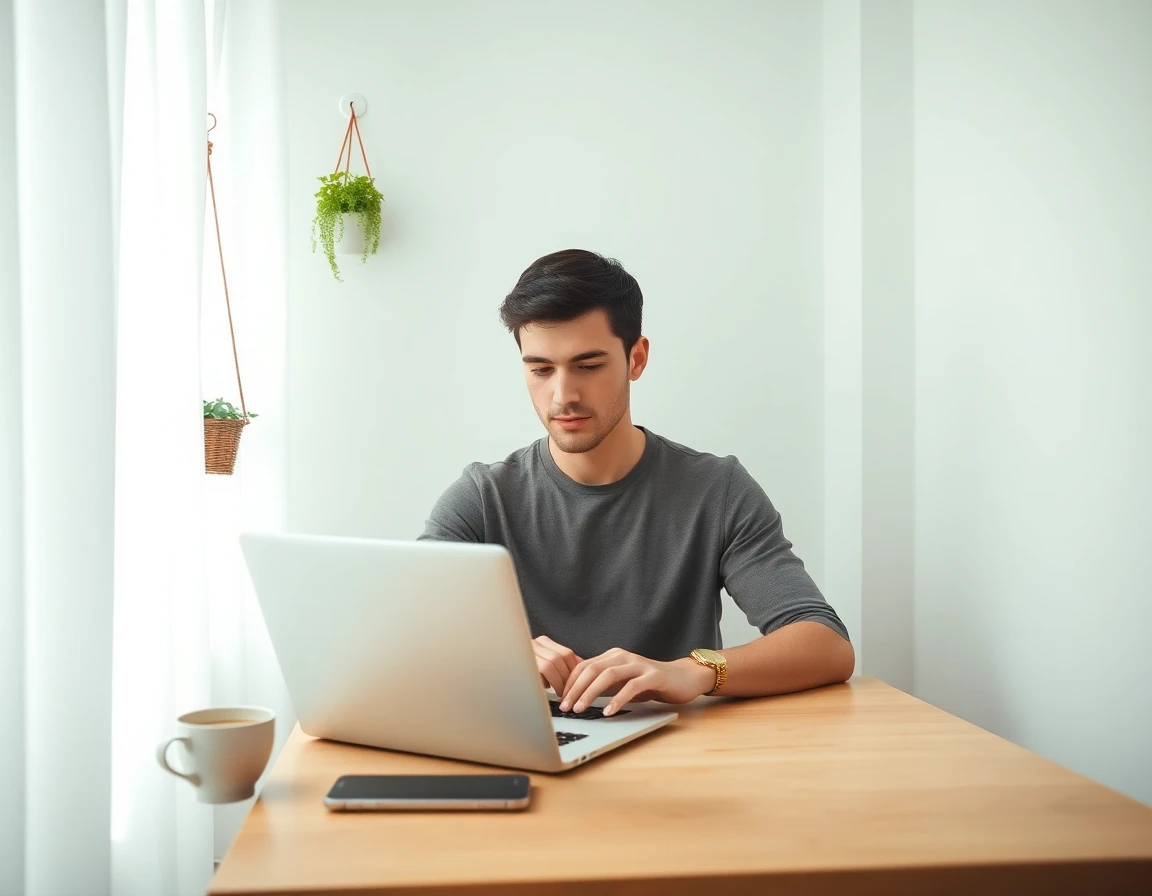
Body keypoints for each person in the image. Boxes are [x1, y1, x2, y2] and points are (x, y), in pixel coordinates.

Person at [420, 249, 853, 717]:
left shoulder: (715, 490)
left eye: (588, 366)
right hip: (532, 753)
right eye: (541, 369)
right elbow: (397, 634)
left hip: (679, 759)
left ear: (636, 358)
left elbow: (825, 643)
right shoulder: (483, 499)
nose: (563, 395)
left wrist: (695, 670)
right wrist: (496, 656)